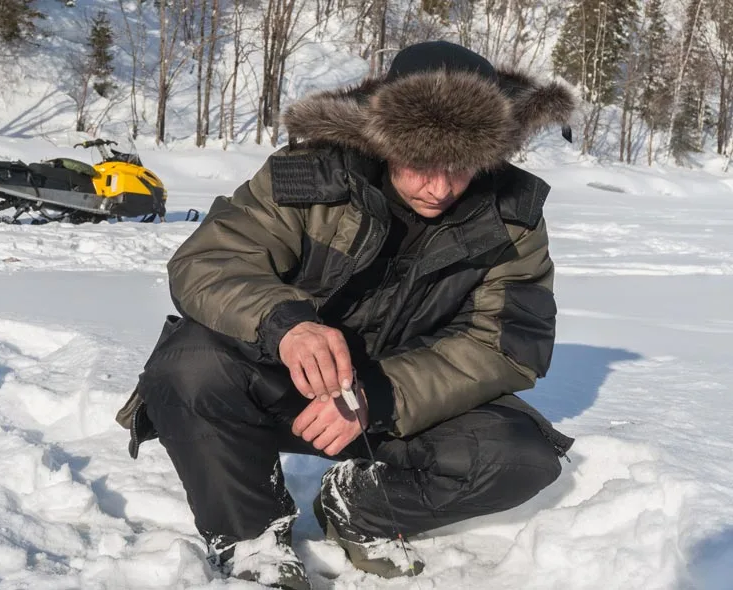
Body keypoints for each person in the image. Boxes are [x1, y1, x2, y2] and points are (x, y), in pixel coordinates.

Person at [116, 40, 577, 589]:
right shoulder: (310, 176)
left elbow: (507, 343)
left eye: (460, 168)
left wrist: (380, 395)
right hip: (283, 386)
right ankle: (252, 538)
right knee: (189, 363)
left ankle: (360, 509)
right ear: (383, 143)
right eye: (421, 163)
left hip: (391, 406)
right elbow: (207, 262)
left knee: (521, 456)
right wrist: (285, 323)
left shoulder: (512, 216)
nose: (439, 187)